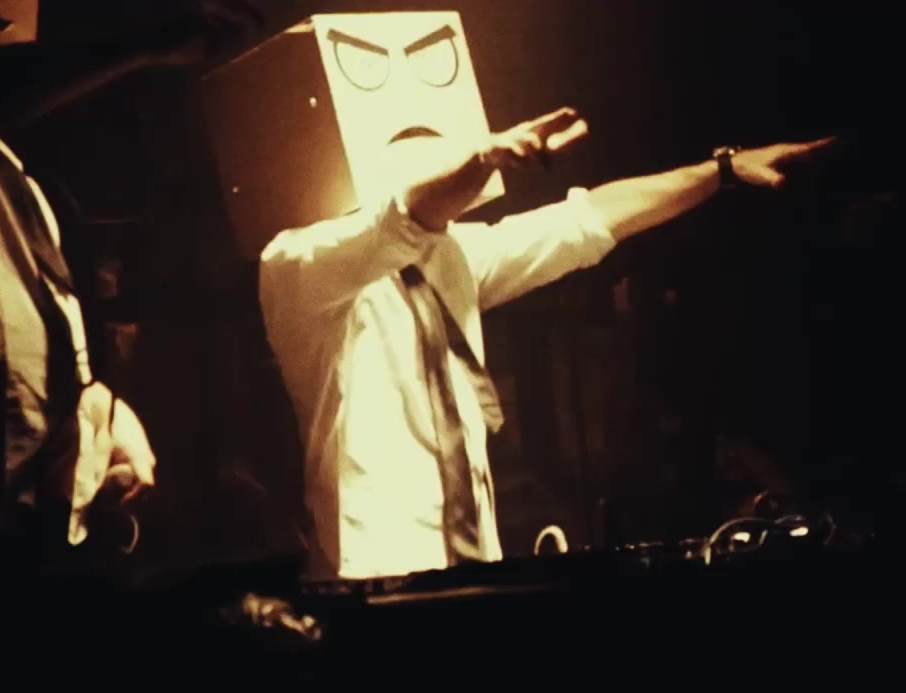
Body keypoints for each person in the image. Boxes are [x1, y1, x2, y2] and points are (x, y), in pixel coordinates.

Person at [258, 106, 835, 580]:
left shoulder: (451, 256)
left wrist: (721, 170)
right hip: (371, 579)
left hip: (468, 572)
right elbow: (406, 216)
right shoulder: (298, 264)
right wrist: (482, 158)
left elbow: (590, 219)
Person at [0, 0, 263, 576]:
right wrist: (143, 40)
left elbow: (18, 317)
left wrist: (93, 409)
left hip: (6, 531)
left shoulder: (3, 164)